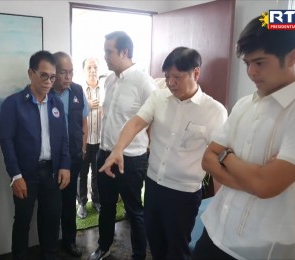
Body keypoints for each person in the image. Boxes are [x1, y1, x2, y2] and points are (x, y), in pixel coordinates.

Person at [193, 16, 295, 260]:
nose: (251, 72)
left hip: (262, 249)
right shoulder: (246, 103)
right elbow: (207, 159)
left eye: (260, 63)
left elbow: (265, 185)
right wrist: (252, 178)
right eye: (247, 63)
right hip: (215, 230)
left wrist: (226, 156)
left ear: (293, 57)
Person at [99, 47, 228, 259]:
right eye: (167, 76)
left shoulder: (214, 111)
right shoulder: (159, 98)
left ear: (196, 73)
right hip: (154, 187)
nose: (170, 83)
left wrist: (220, 201)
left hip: (184, 194)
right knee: (155, 243)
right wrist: (118, 149)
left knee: (177, 248)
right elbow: (136, 123)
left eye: (177, 77)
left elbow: (218, 157)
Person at [88, 31, 157, 260]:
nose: (105, 57)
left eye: (109, 52)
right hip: (105, 155)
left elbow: (155, 118)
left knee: (134, 211)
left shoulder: (143, 81)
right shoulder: (109, 80)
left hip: (131, 159)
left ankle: (139, 255)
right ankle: (104, 246)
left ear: (124, 52)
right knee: (106, 207)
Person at [0, 50, 71, 260]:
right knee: (22, 220)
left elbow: (63, 139)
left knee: (51, 219)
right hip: (25, 174)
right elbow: (7, 142)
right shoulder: (13, 104)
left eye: (53, 77)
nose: (49, 81)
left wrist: (65, 165)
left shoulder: (56, 103)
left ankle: (50, 255)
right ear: (31, 73)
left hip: (52, 171)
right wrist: (15, 176)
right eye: (44, 76)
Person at [50, 51, 89, 257]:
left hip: (73, 157)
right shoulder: (46, 93)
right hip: (51, 160)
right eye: (63, 72)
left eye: (71, 72)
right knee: (51, 205)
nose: (68, 77)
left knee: (68, 204)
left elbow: (84, 121)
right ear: (53, 72)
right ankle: (50, 244)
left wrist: (83, 148)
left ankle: (69, 241)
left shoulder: (77, 91)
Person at [77, 57, 104, 219]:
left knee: (97, 172)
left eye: (95, 67)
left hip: (101, 139)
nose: (93, 70)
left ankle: (96, 200)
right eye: (89, 68)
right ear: (83, 71)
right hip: (84, 139)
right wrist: (87, 104)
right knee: (82, 172)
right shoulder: (78, 89)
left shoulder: (106, 87)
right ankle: (81, 203)